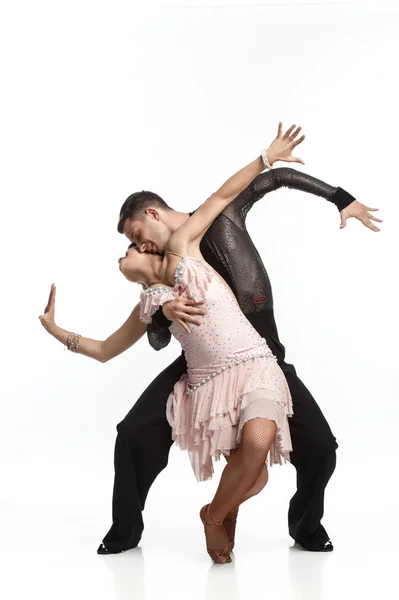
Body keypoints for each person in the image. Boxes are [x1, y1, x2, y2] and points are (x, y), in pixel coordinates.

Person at [40, 124, 381, 557]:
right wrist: (157, 311)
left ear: (152, 215)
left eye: (132, 236)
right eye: (131, 246)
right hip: (202, 366)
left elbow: (248, 186)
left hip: (260, 355)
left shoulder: (199, 232)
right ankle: (126, 532)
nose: (134, 245)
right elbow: (145, 340)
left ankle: (304, 525)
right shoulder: (157, 276)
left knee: (321, 449)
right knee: (132, 433)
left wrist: (328, 189)